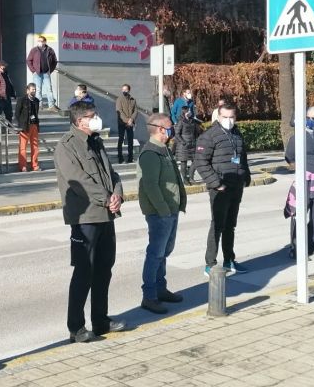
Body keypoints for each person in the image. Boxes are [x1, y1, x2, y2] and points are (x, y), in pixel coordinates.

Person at [55, 101, 127, 343]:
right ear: (79, 121)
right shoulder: (67, 146)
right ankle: (76, 327)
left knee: (104, 270)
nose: (97, 118)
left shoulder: (96, 141)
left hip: (106, 215)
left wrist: (117, 195)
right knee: (84, 272)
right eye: (92, 115)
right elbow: (79, 181)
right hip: (85, 217)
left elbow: (112, 174)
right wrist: (106, 198)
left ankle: (101, 320)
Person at [138, 113, 187, 315]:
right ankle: (149, 296)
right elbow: (150, 186)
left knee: (164, 253)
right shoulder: (151, 153)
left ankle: (160, 289)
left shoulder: (163, 149)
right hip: (160, 213)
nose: (172, 129)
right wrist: (164, 210)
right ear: (160, 129)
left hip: (170, 209)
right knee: (155, 254)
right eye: (169, 126)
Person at [195, 102, 251, 276]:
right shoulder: (209, 136)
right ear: (218, 116)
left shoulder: (236, 134)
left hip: (236, 186)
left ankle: (229, 260)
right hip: (220, 188)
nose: (228, 120)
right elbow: (201, 162)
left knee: (230, 226)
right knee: (217, 225)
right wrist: (216, 183)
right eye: (225, 117)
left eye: (231, 117)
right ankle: (210, 263)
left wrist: (246, 176)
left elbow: (242, 157)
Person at [285, 106, 314, 259]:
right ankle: (296, 247)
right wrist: (301, 170)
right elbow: (289, 157)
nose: (311, 121)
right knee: (299, 212)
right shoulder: (298, 137)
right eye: (309, 118)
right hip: (305, 180)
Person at [27, 35, 59, 112]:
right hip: (37, 73)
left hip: (46, 73)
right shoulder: (34, 50)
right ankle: (39, 105)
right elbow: (29, 60)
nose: (40, 42)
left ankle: (51, 105)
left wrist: (50, 70)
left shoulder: (50, 50)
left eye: (41, 41)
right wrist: (33, 71)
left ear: (45, 42)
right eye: (39, 41)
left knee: (49, 89)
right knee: (38, 90)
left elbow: (54, 61)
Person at [15, 83, 41, 172]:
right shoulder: (22, 100)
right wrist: (21, 124)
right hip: (25, 126)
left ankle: (35, 165)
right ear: (27, 90)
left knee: (35, 147)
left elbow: (36, 113)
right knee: (23, 147)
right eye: (32, 89)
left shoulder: (36, 101)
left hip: (34, 125)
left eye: (35, 89)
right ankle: (23, 166)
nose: (34, 91)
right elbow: (17, 114)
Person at [173, 105, 202, 183]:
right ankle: (185, 179)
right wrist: (183, 142)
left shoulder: (193, 121)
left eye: (190, 110)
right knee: (184, 163)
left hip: (192, 144)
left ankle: (191, 177)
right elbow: (177, 133)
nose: (190, 112)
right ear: (184, 112)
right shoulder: (181, 121)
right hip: (183, 145)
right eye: (188, 110)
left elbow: (197, 132)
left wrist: (197, 140)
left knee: (196, 161)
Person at [115, 84, 137, 164]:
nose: (124, 91)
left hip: (130, 123)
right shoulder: (119, 99)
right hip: (122, 123)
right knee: (121, 139)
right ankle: (120, 157)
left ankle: (130, 157)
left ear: (129, 90)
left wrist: (132, 119)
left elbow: (135, 111)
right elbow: (119, 111)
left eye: (126, 89)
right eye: (123, 89)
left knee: (130, 140)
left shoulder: (133, 100)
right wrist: (128, 120)